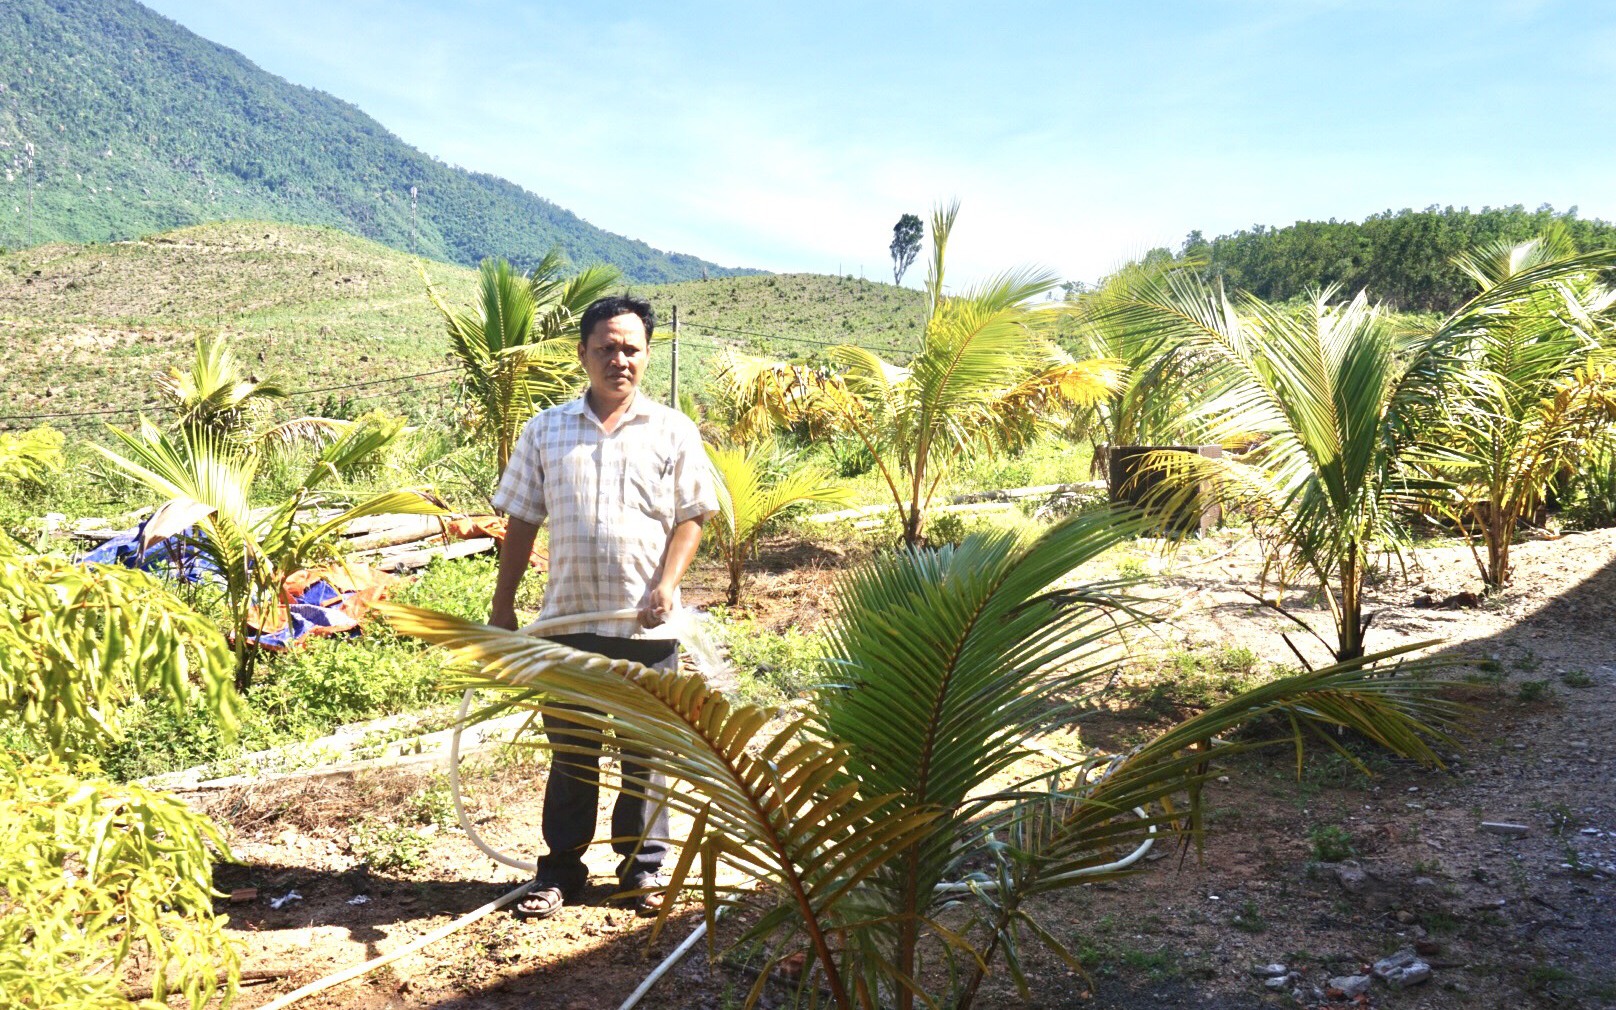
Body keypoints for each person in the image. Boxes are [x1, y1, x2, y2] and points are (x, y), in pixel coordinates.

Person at [487, 293, 717, 920]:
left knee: (645, 756)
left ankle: (640, 875)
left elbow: (694, 516)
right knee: (573, 754)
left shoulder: (673, 429)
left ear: (647, 354)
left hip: (646, 631)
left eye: (631, 348)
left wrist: (667, 584)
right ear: (584, 353)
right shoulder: (546, 429)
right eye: (606, 348)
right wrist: (503, 607)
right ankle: (561, 873)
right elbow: (522, 521)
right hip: (567, 626)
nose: (620, 359)